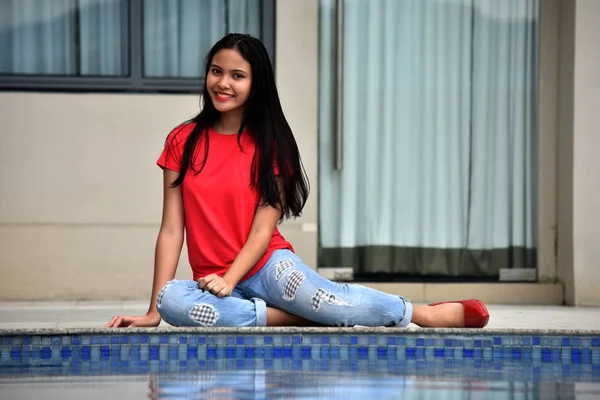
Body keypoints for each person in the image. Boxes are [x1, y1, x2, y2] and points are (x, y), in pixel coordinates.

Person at [105, 33, 489, 330]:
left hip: (267, 264)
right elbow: (172, 231)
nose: (223, 83)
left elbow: (261, 233)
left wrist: (230, 279)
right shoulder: (182, 141)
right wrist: (154, 310)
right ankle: (293, 318)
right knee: (174, 302)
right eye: (216, 71)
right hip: (212, 281)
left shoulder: (274, 146)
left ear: (257, 84)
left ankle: (418, 312)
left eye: (238, 75)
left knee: (329, 299)